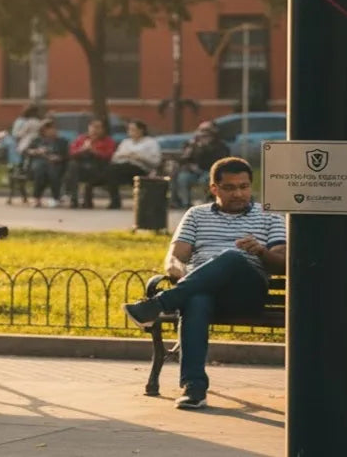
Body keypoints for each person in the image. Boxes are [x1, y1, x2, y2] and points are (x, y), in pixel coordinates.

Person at [122, 157, 286, 409]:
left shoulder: (270, 215)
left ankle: (157, 305)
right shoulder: (196, 215)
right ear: (214, 189)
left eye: (244, 186)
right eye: (230, 188)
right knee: (196, 299)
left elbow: (283, 263)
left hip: (246, 293)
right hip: (203, 290)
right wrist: (181, 273)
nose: (239, 193)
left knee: (231, 257)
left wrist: (261, 252)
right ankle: (194, 388)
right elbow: (175, 258)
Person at [168, 121, 230, 209]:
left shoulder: (220, 146)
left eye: (206, 130)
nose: (203, 133)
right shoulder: (193, 145)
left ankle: (207, 204)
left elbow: (219, 162)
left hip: (211, 172)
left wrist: (204, 148)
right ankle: (186, 203)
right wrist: (189, 153)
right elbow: (184, 160)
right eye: (201, 130)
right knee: (183, 178)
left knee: (205, 180)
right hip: (194, 172)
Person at [63, 117, 117, 209]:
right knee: (72, 166)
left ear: (103, 129)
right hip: (81, 167)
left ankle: (85, 199)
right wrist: (83, 149)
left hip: (99, 168)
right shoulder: (81, 139)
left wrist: (94, 151)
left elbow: (109, 156)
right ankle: (74, 198)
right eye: (92, 127)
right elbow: (71, 153)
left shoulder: (108, 141)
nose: (94, 130)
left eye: (98, 127)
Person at [108, 119, 162, 209]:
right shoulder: (126, 142)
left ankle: (118, 202)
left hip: (141, 168)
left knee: (114, 171)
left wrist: (139, 157)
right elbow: (115, 157)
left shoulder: (150, 142)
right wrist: (126, 155)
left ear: (141, 130)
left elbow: (156, 161)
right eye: (129, 129)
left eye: (133, 129)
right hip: (122, 168)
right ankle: (115, 201)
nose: (130, 132)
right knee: (111, 171)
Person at [23, 117, 69, 207]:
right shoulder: (37, 140)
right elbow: (27, 151)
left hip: (56, 164)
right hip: (39, 162)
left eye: (53, 128)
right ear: (43, 131)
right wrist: (37, 151)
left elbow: (66, 155)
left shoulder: (62, 141)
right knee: (40, 169)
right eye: (48, 129)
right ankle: (37, 198)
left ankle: (55, 197)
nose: (52, 131)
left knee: (52, 170)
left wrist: (58, 158)